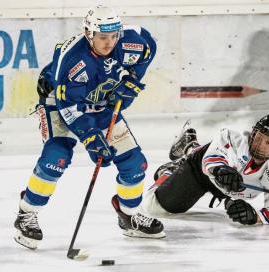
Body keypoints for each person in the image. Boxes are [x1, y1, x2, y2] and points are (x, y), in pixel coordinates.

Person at [14, 5, 165, 250]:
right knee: (57, 157)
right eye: (103, 38)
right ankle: (26, 212)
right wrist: (91, 139)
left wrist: (133, 79)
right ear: (88, 33)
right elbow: (69, 108)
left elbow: (149, 46)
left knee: (135, 164)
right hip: (59, 102)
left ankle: (129, 215)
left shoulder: (129, 42)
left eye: (113, 36)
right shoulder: (72, 60)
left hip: (100, 101)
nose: (109, 43)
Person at [142, 115, 269, 226]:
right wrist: (221, 170)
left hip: (225, 191)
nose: (260, 145)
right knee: (155, 207)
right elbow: (212, 157)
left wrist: (255, 217)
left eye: (268, 142)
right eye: (259, 137)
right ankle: (169, 171)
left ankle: (190, 145)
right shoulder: (233, 138)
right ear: (253, 133)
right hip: (201, 174)